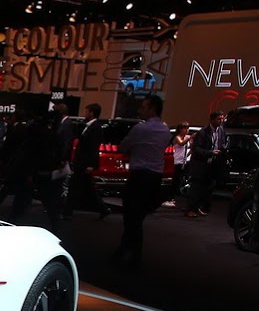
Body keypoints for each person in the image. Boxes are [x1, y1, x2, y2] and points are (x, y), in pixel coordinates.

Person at [115, 94, 170, 265]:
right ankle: (124, 250)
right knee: (138, 217)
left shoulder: (140, 129)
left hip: (139, 177)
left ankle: (133, 256)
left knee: (132, 218)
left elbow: (124, 147)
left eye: (143, 107)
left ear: (152, 109)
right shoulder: (165, 131)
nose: (139, 110)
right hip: (155, 179)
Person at [67, 103, 110, 217]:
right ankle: (103, 209)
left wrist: (90, 164)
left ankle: (67, 212)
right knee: (87, 188)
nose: (85, 114)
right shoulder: (88, 126)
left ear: (91, 113)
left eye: (87, 111)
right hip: (81, 162)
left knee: (74, 187)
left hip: (84, 163)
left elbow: (94, 147)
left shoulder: (96, 128)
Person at [169, 123, 193, 202]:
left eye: (187, 128)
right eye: (185, 128)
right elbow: (181, 143)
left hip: (185, 161)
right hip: (177, 161)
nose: (187, 130)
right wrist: (190, 138)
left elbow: (191, 148)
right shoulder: (177, 137)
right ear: (180, 129)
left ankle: (180, 193)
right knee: (176, 179)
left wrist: (187, 155)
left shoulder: (188, 137)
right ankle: (171, 196)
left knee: (183, 178)